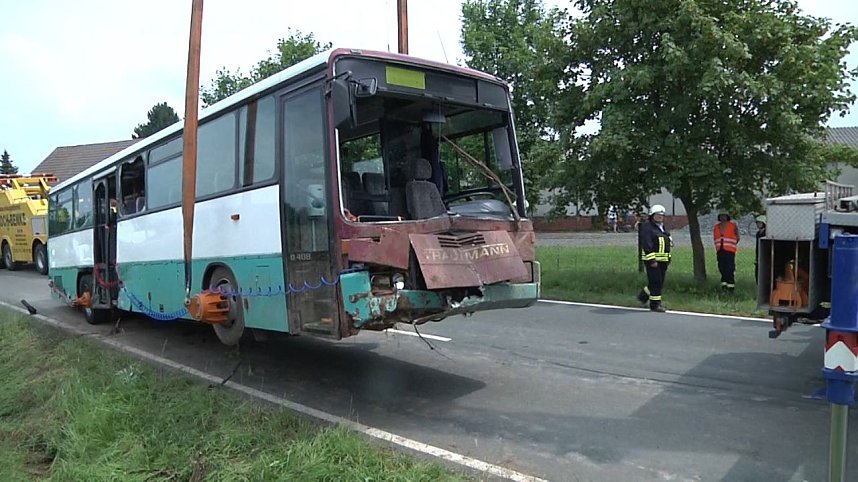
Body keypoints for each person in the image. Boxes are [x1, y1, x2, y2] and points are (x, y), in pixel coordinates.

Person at [637, 204, 672, 312]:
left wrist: (668, 258)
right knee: (656, 282)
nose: (660, 217)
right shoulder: (647, 227)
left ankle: (643, 296)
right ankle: (655, 305)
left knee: (658, 282)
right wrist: (652, 260)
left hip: (663, 261)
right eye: (658, 215)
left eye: (662, 215)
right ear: (652, 215)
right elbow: (647, 244)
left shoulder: (662, 228)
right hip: (653, 261)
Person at [713, 210, 740, 293]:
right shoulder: (716, 226)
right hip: (720, 251)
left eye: (724, 216)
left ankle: (731, 288)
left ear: (727, 217)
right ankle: (724, 287)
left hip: (730, 251)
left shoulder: (733, 225)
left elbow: (737, 237)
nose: (722, 217)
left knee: (730, 269)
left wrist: (732, 244)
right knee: (722, 269)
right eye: (721, 216)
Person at [754, 214, 766, 283]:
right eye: (757, 223)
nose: (758, 224)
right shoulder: (758, 233)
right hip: (758, 256)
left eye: (760, 223)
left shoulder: (766, 233)